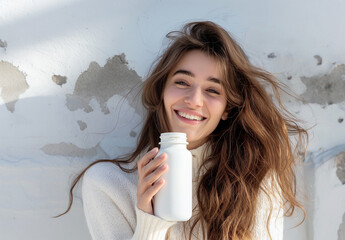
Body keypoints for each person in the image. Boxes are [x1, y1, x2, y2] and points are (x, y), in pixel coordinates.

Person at [59, 21, 308, 240]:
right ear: (161, 92)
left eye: (213, 90)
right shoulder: (107, 184)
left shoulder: (253, 178)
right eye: (182, 82)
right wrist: (150, 221)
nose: (194, 100)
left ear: (227, 109)